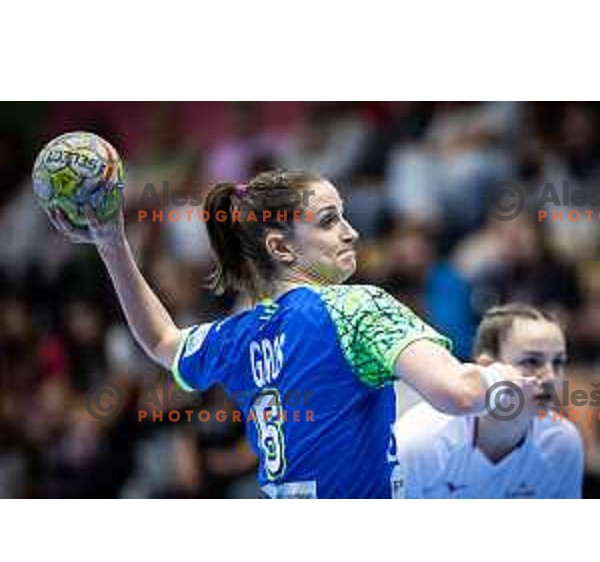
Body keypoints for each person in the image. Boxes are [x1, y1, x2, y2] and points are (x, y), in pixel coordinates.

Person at [46, 168, 533, 499]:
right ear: (281, 246)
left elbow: (163, 343)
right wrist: (507, 375)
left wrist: (110, 243)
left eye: (344, 215)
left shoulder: (238, 335)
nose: (351, 232)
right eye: (329, 221)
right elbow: (458, 393)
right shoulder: (355, 308)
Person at [394, 304, 584, 499]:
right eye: (531, 362)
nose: (550, 377)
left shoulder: (562, 443)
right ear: (488, 368)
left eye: (558, 362)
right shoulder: (420, 441)